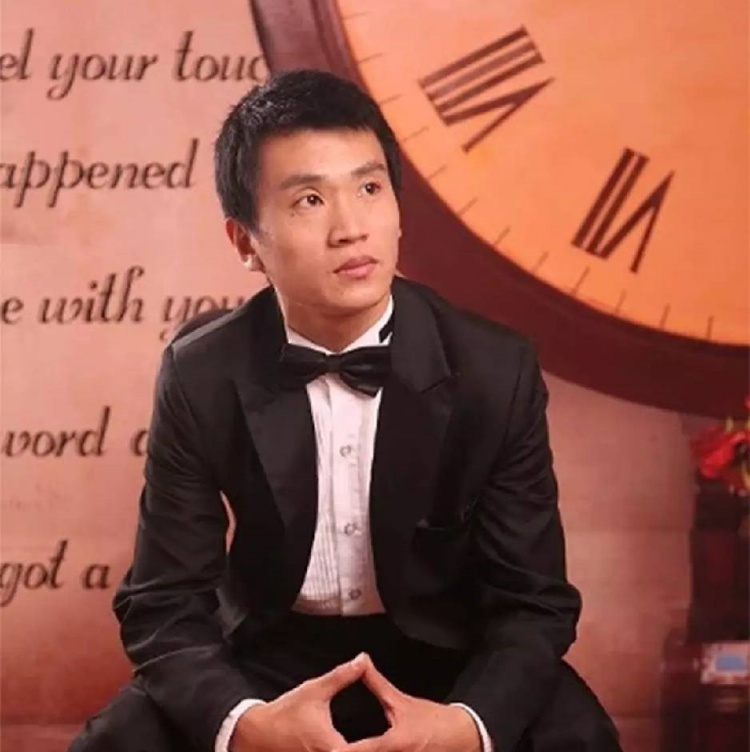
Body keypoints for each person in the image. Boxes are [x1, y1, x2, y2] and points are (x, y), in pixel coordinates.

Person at [70, 69, 621, 752]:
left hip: (450, 653)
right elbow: (164, 599)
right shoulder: (201, 372)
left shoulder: (494, 369)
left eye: (369, 188)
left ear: (398, 208)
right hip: (268, 652)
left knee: (577, 737)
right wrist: (245, 724)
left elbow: (533, 601)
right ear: (245, 242)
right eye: (309, 200)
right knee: (115, 743)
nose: (352, 229)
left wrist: (465, 725)